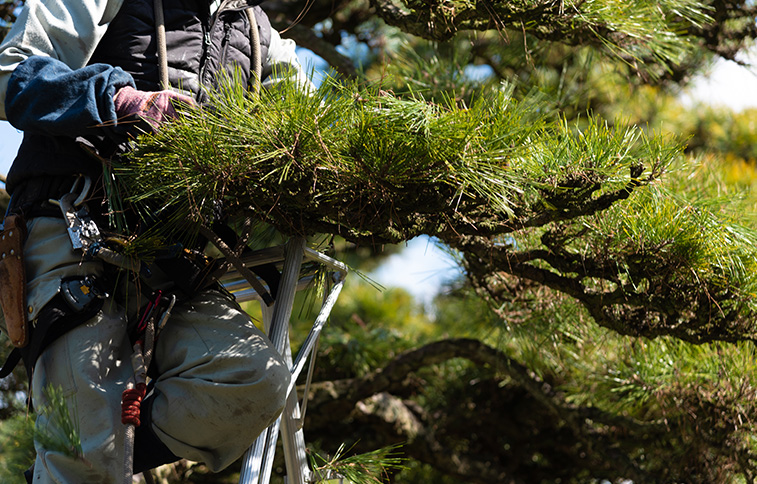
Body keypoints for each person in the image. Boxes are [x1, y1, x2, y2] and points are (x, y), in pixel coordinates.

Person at [0, 0, 312, 482]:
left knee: (252, 379)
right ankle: (83, 460)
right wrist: (122, 101)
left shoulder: (259, 33)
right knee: (90, 446)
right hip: (74, 232)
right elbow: (11, 73)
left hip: (176, 265)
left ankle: (80, 463)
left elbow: (304, 134)